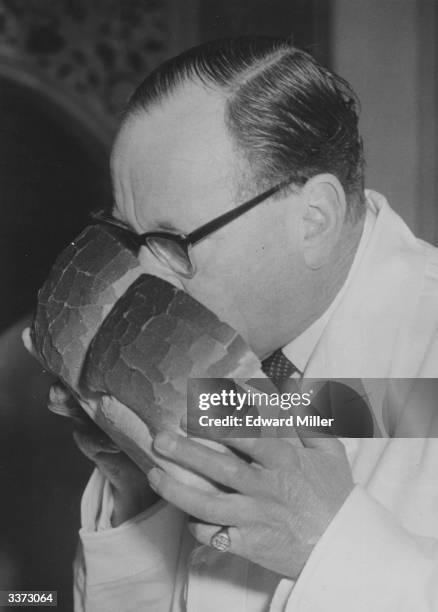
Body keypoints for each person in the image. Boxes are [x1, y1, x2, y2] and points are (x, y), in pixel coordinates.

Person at [32, 37, 438, 611]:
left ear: (314, 220)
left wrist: (329, 547)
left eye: (171, 241)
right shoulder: (204, 363)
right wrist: (136, 501)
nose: (144, 282)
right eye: (130, 236)